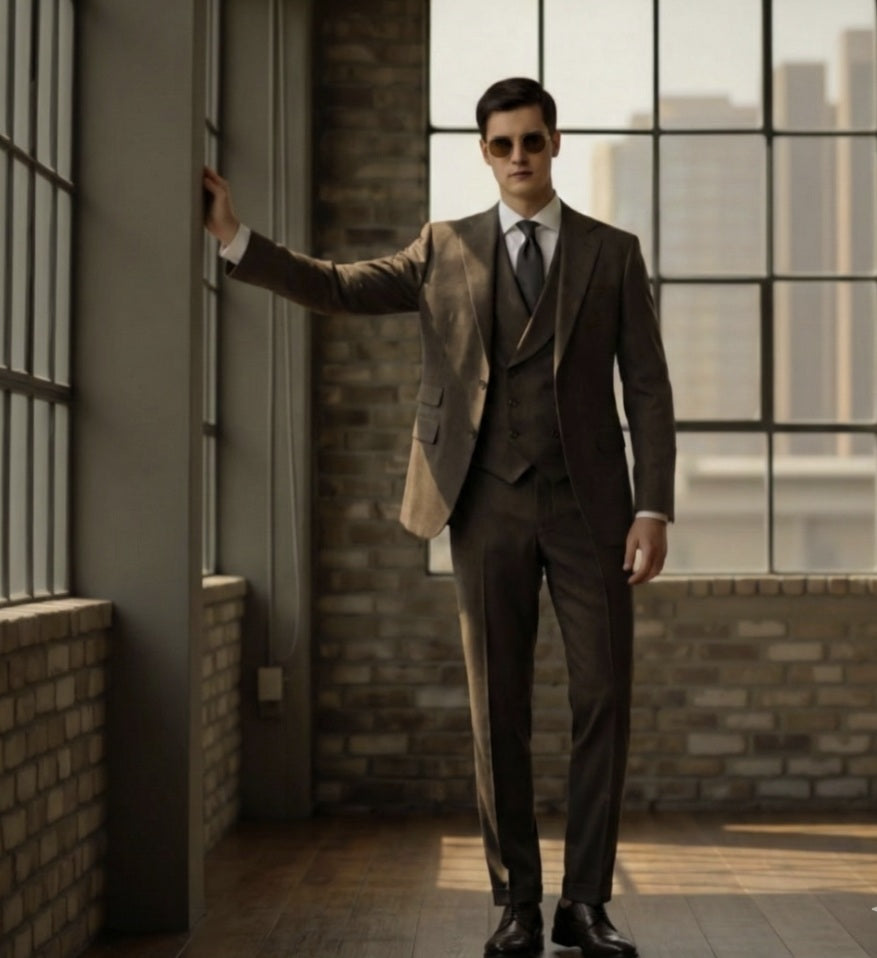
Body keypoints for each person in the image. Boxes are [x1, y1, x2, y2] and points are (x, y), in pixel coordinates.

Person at [204, 77, 675, 958]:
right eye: (502, 145)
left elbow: (645, 388)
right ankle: (517, 907)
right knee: (496, 706)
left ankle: (584, 904)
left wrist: (652, 506)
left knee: (603, 695)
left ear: (555, 143)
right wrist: (235, 238)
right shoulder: (444, 247)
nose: (519, 158)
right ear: (485, 152)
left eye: (532, 141)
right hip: (484, 499)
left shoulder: (612, 254)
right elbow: (340, 287)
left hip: (592, 510)